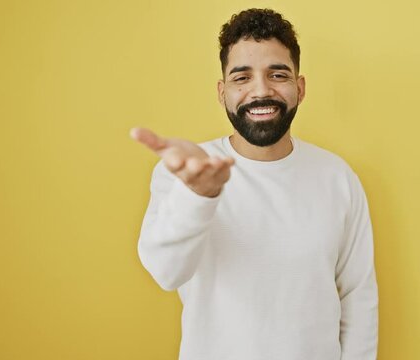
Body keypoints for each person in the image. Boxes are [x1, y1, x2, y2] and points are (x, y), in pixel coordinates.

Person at [131, 8, 378, 360]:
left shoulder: (338, 177)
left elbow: (358, 297)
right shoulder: (189, 173)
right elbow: (166, 274)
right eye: (242, 77)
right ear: (222, 92)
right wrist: (199, 196)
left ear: (300, 87)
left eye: (277, 74)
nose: (261, 91)